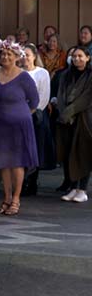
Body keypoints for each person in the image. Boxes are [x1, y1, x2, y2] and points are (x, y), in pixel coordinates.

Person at [0, 40, 40, 216]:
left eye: (9, 54)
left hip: (19, 125)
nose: (5, 57)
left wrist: (20, 114)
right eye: (3, 54)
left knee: (17, 163)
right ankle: (6, 197)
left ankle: (16, 199)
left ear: (17, 57)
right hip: (0, 125)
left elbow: (34, 102)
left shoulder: (24, 77)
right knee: (4, 163)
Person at [55, 47, 92, 203]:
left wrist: (70, 111)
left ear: (88, 58)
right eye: (74, 56)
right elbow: (61, 94)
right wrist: (63, 111)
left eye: (80, 56)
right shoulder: (66, 74)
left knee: (82, 153)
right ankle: (73, 187)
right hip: (66, 120)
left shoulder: (90, 75)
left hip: (84, 119)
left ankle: (82, 189)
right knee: (68, 152)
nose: (77, 59)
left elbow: (86, 98)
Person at [22, 43, 52, 195]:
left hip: (36, 117)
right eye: (22, 55)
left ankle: (32, 181)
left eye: (27, 55)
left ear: (34, 56)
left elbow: (44, 97)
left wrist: (30, 111)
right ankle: (21, 182)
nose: (25, 58)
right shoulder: (18, 72)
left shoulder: (42, 73)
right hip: (19, 117)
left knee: (34, 149)